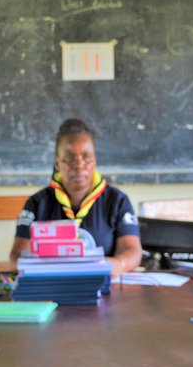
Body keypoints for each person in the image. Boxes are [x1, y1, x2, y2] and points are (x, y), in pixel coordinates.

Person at [9, 118, 142, 278]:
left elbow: (132, 250)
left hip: (102, 287)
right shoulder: (37, 203)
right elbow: (17, 255)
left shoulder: (117, 201)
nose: (79, 165)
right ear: (57, 163)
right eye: (70, 157)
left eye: (86, 157)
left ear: (95, 161)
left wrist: (119, 264)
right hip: (53, 285)